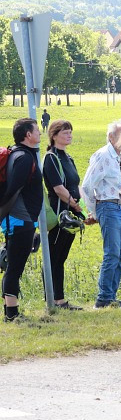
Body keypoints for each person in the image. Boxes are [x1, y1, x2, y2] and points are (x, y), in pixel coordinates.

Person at [82, 120, 121, 309]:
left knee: (120, 254)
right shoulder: (103, 155)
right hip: (109, 206)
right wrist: (94, 211)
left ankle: (111, 296)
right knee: (112, 253)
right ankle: (103, 298)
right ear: (111, 137)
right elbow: (87, 186)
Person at [42, 120, 87, 310]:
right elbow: (58, 188)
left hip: (71, 213)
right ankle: (52, 299)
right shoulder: (51, 158)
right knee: (53, 257)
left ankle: (59, 299)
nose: (69, 135)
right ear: (54, 135)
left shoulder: (68, 158)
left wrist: (84, 209)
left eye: (70, 132)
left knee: (61, 257)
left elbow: (75, 185)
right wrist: (75, 206)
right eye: (65, 132)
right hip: (59, 214)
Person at [2, 119, 43, 322]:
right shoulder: (24, 158)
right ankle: (12, 313)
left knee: (14, 265)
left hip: (20, 219)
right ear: (28, 135)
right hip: (19, 219)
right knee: (15, 266)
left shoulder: (18, 154)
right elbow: (13, 188)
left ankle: (10, 310)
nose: (40, 133)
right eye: (37, 130)